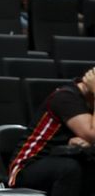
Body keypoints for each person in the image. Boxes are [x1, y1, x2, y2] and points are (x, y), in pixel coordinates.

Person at [8, 66, 95, 195]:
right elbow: (92, 134)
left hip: (66, 158)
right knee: (69, 168)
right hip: (28, 167)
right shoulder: (66, 97)